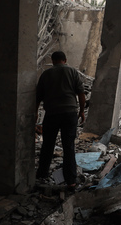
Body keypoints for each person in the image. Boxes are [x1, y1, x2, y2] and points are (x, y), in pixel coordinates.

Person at [35, 51, 85, 190]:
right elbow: (81, 93)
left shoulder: (46, 74)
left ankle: (42, 174)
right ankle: (71, 181)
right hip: (69, 113)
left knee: (48, 144)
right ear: (65, 60)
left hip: (52, 113)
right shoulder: (72, 71)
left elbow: (37, 97)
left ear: (53, 60)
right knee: (68, 146)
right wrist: (81, 111)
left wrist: (35, 113)